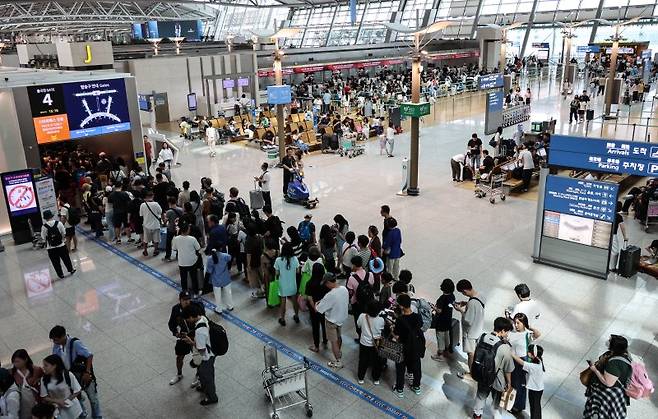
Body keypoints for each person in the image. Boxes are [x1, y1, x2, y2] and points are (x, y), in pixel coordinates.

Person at [48, 326, 101, 419]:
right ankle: (83, 414)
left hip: (82, 374)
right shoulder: (57, 346)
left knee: (93, 398)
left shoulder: (75, 343)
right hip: (71, 377)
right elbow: (55, 359)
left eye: (56, 340)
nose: (54, 342)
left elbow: (89, 356)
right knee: (77, 397)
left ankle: (97, 416)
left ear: (63, 336)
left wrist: (87, 372)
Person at [472, 317, 515, 419]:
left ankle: (477, 414)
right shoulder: (504, 347)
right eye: (507, 332)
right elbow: (508, 369)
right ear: (502, 331)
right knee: (496, 399)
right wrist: (509, 383)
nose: (507, 334)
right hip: (497, 378)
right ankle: (496, 415)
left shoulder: (482, 337)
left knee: (481, 395)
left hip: (482, 372)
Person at [583, 334, 632, 419]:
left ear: (614, 346)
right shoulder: (623, 355)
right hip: (613, 392)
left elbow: (608, 383)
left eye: (609, 341)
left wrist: (595, 370)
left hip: (607, 394)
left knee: (605, 413)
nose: (607, 341)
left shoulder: (614, 363)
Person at [181, 304, 218, 406]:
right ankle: (203, 387)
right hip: (211, 352)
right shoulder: (203, 318)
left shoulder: (199, 331)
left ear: (192, 317)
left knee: (207, 377)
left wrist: (191, 342)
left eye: (187, 319)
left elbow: (201, 350)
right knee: (203, 374)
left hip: (206, 357)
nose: (187, 321)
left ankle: (212, 397)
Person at [392, 294, 425, 397]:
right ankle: (416, 387)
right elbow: (419, 328)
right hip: (415, 347)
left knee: (401, 368)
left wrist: (392, 330)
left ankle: (400, 389)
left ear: (401, 306)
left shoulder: (400, 320)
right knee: (416, 367)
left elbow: (397, 336)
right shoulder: (418, 317)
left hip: (403, 347)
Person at [508, 313, 541, 415]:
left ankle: (518, 405)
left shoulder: (527, 334)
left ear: (523, 323)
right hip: (512, 359)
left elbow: (538, 334)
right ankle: (511, 403)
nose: (516, 325)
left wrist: (529, 326)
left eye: (518, 323)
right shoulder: (511, 333)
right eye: (515, 323)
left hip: (522, 361)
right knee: (512, 383)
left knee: (520, 384)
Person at [316, 273, 349, 369]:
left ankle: (338, 361)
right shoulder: (344, 289)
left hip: (331, 321)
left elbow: (319, 309)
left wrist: (316, 303)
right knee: (339, 337)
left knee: (333, 342)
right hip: (341, 318)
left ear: (330, 282)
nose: (326, 285)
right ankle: (339, 352)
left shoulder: (330, 295)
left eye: (326, 283)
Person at [454, 279, 486, 378]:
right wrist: (466, 303)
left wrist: (460, 310)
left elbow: (467, 320)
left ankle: (472, 374)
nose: (464, 294)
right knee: (475, 351)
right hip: (478, 329)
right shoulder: (480, 295)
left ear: (464, 291)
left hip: (470, 333)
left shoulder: (472, 303)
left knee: (471, 354)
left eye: (463, 293)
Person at [167, 291, 199, 386]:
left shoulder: (196, 306)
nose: (187, 301)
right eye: (184, 300)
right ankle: (179, 374)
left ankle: (199, 375)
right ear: (180, 300)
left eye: (188, 299)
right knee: (179, 356)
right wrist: (176, 333)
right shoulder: (176, 309)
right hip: (183, 337)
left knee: (198, 357)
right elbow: (171, 323)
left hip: (195, 337)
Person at [511, 344, 545, 419]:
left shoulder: (534, 366)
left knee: (535, 406)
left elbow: (521, 362)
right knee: (535, 405)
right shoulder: (539, 360)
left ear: (533, 354)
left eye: (529, 351)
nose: (527, 352)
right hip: (537, 389)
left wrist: (512, 354)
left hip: (535, 390)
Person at [40, 210, 76, 280]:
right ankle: (71, 269)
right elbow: (64, 233)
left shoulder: (44, 227)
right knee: (66, 258)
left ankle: (61, 274)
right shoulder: (59, 223)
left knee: (55, 262)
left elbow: (43, 237)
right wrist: (62, 240)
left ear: (45, 218)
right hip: (61, 245)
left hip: (51, 248)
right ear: (52, 216)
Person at [356, 300, 385, 385]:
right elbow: (381, 330)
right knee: (376, 362)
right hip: (376, 344)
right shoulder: (381, 320)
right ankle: (376, 379)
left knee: (363, 361)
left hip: (364, 343)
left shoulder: (362, 316)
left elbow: (358, 325)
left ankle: (361, 378)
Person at [346, 256, 375, 339]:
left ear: (354, 265)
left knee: (358, 320)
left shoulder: (352, 278)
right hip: (369, 302)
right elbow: (371, 286)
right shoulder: (370, 274)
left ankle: (360, 337)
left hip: (357, 304)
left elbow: (351, 292)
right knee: (369, 319)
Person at [11, 349, 43, 419]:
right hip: (22, 403)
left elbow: (44, 379)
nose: (15, 364)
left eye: (17, 361)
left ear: (25, 359)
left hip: (35, 400)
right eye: (14, 362)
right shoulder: (12, 373)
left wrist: (38, 380)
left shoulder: (36, 370)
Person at [172, 222, 202, 297]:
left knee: (183, 278)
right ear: (188, 230)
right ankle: (195, 293)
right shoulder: (192, 239)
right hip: (192, 261)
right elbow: (198, 248)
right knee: (193, 277)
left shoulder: (176, 239)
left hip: (182, 262)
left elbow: (174, 249)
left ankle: (185, 293)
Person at [275, 242, 301, 326]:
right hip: (293, 285)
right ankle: (296, 316)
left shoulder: (278, 260)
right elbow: (297, 271)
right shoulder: (295, 259)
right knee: (294, 301)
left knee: (283, 302)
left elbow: (277, 273)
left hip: (283, 285)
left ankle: (282, 319)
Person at [306, 263, 329, 353]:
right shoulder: (325, 283)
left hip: (314, 309)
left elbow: (309, 297)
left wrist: (315, 307)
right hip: (324, 307)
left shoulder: (309, 283)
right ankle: (325, 339)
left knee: (315, 327)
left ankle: (316, 346)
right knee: (324, 324)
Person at [431, 278, 456, 362]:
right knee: (446, 335)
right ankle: (447, 349)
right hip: (448, 320)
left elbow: (439, 311)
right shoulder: (452, 296)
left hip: (440, 322)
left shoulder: (442, 298)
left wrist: (433, 307)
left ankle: (440, 354)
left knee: (440, 337)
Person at [207, 248, 233, 314]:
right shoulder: (225, 256)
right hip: (225, 278)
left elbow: (209, 271)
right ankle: (230, 306)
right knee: (228, 293)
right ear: (221, 248)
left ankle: (219, 309)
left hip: (216, 279)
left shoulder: (210, 258)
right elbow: (230, 258)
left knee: (217, 295)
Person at [139, 191, 162, 257]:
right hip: (155, 225)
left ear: (146, 197)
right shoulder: (156, 204)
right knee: (156, 239)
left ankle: (145, 251)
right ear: (153, 196)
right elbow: (160, 212)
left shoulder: (142, 205)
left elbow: (141, 215)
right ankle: (155, 251)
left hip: (146, 225)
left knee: (145, 239)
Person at [610, 201, 628, 272]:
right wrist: (625, 237)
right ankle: (613, 268)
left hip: (606, 234)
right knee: (615, 251)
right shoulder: (618, 216)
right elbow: (622, 227)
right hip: (613, 236)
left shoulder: (609, 213)